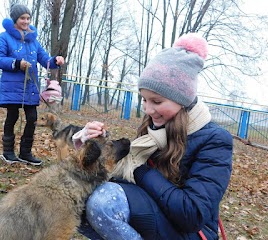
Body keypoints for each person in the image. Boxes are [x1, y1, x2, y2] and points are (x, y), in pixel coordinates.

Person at [74, 33, 233, 239]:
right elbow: (121, 165)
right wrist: (93, 143)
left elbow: (191, 214)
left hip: (191, 232)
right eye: (144, 100)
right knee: (75, 199)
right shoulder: (157, 127)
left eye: (156, 102)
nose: (148, 109)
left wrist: (141, 171)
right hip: (156, 214)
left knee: (104, 202)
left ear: (182, 99)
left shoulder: (215, 140)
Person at [0, 4, 65, 166]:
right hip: (12, 86)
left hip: (30, 86)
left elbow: (45, 60)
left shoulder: (34, 41)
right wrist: (17, 63)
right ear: (15, 20)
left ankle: (25, 152)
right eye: (22, 18)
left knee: (32, 118)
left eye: (28, 18)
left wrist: (55, 61)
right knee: (13, 116)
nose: (26, 21)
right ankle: (8, 152)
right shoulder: (4, 37)